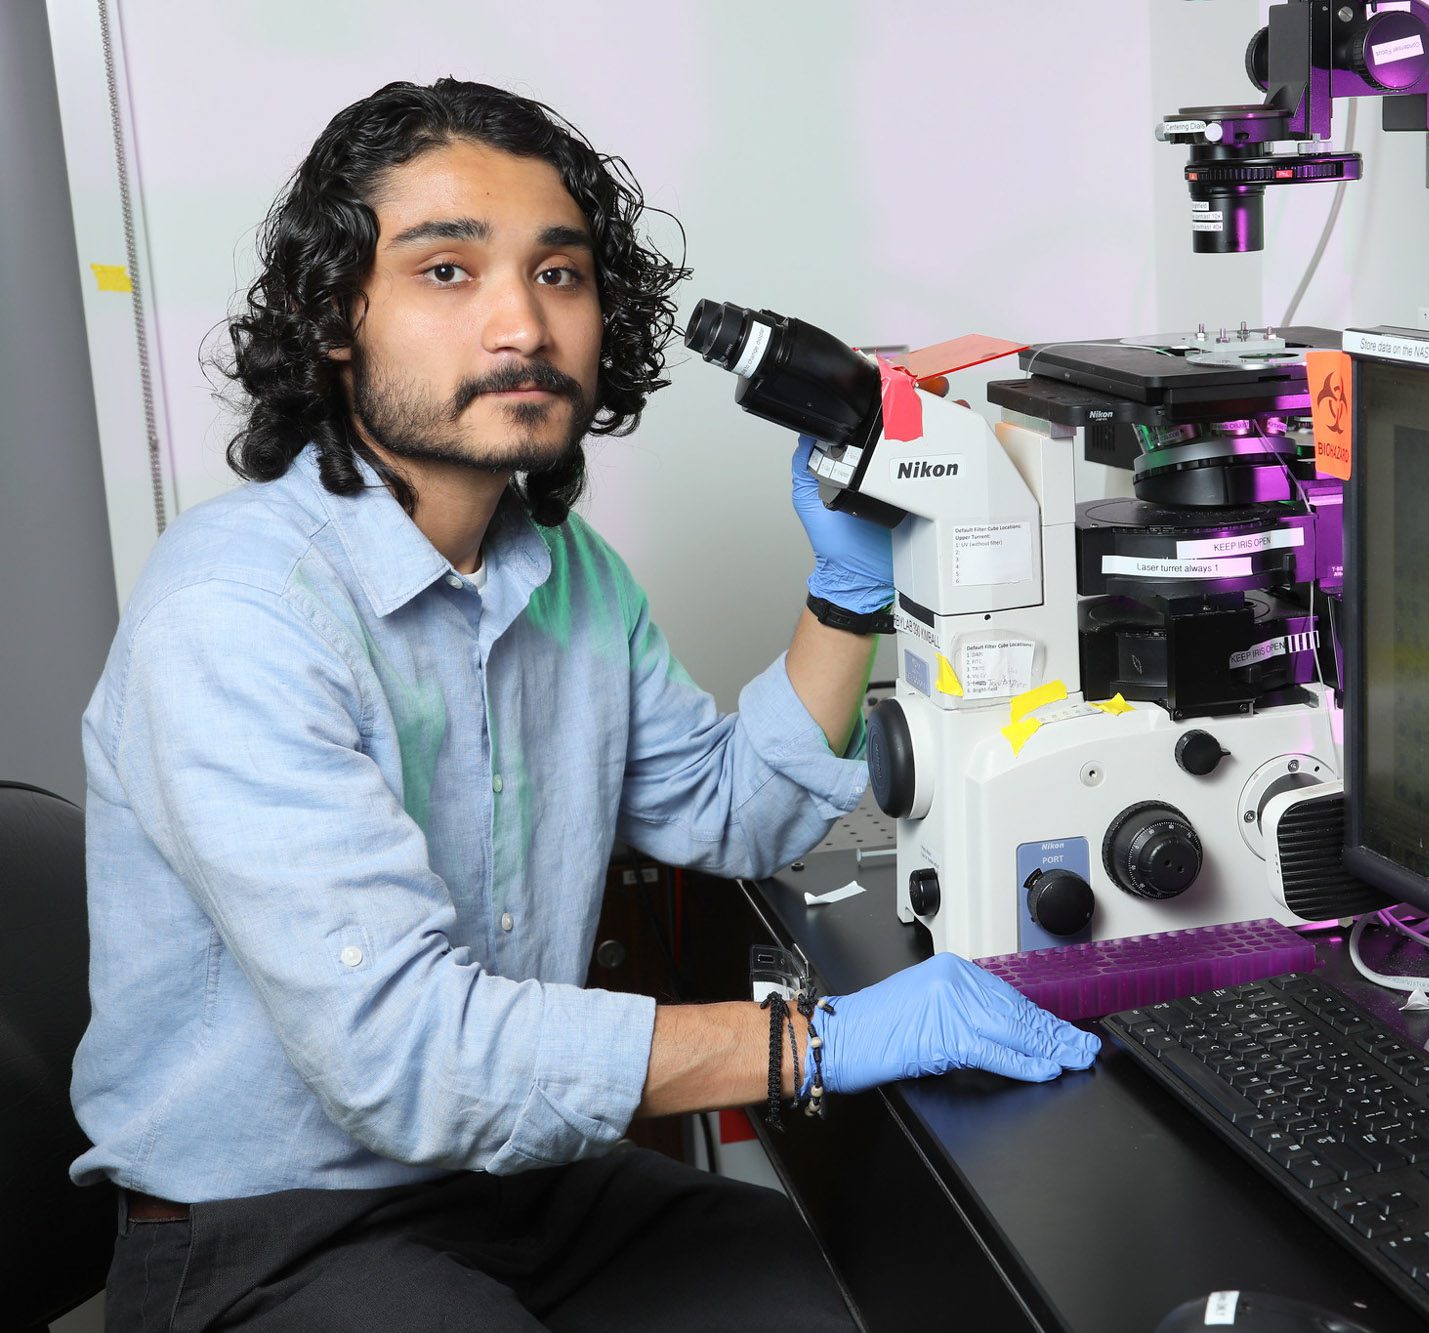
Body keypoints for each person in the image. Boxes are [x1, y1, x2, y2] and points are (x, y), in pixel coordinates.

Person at [69, 77, 1098, 1332]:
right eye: (446, 272)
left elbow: (739, 815)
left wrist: (845, 594)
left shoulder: (562, 577)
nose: (521, 326)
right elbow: (410, 1058)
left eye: (558, 275)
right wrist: (807, 1045)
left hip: (522, 1188)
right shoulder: (237, 616)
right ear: (338, 318)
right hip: (267, 1230)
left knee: (874, 1291)